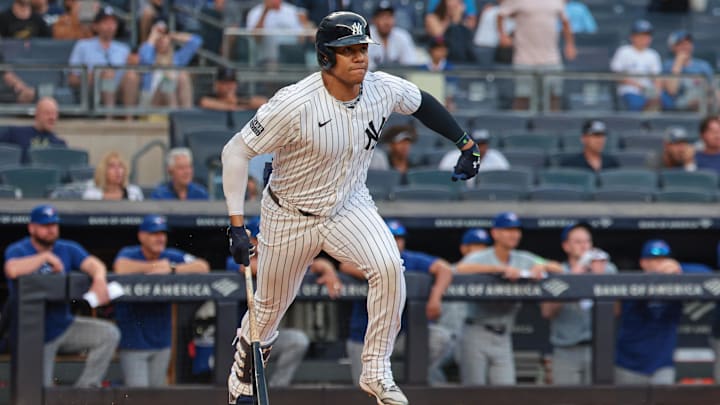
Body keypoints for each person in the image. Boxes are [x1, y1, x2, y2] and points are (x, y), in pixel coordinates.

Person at [221, 11, 481, 405]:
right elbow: (235, 151)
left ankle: (376, 371)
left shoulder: (381, 88)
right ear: (326, 57)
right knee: (268, 310)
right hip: (289, 214)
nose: (360, 57)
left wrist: (464, 142)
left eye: (363, 48)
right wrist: (237, 225)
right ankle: (246, 360)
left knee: (390, 266)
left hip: (348, 204)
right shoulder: (293, 103)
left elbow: (423, 102)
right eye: (349, 51)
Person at [3, 204, 120, 387]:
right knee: (40, 392)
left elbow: (94, 264)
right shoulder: (18, 250)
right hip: (33, 335)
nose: (51, 230)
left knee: (108, 334)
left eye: (54, 225)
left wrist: (99, 279)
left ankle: (84, 392)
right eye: (45, 225)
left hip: (64, 326)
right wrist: (44, 258)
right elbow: (12, 269)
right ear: (32, 228)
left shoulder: (67, 248)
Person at [225, 217, 343, 387]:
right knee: (241, 382)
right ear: (250, 240)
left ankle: (276, 389)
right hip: (240, 339)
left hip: (267, 336)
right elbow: (250, 266)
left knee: (297, 341)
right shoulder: (239, 259)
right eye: (260, 237)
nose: (266, 241)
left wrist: (329, 270)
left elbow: (316, 263)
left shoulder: (279, 260)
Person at [455, 211, 562, 386]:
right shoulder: (482, 256)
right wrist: (497, 270)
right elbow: (460, 268)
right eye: (507, 230)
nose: (514, 234)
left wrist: (540, 267)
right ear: (495, 233)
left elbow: (557, 267)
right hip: (476, 330)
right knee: (473, 393)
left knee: (506, 391)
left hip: (504, 335)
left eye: (516, 230)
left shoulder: (523, 258)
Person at [342, 220, 454, 386]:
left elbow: (444, 268)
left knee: (440, 337)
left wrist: (435, 298)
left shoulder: (410, 259)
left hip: (402, 336)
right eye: (390, 237)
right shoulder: (366, 257)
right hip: (366, 338)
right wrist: (377, 273)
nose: (395, 242)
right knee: (367, 390)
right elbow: (345, 265)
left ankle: (419, 376)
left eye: (398, 238)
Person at [112, 214, 209, 387]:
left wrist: (171, 268)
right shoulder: (130, 253)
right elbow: (120, 266)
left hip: (162, 340)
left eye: (162, 234)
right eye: (154, 233)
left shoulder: (170, 255)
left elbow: (203, 266)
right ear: (142, 236)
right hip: (133, 341)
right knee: (139, 396)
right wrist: (155, 267)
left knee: (157, 394)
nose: (160, 238)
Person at [615, 239, 709, 385]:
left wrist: (680, 268)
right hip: (629, 364)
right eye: (654, 259)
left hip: (662, 364)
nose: (660, 264)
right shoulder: (631, 283)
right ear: (643, 263)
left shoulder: (677, 283)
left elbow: (708, 275)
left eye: (663, 259)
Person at [540, 222, 617, 385]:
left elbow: (616, 311)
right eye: (578, 242)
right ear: (566, 246)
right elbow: (547, 312)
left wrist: (600, 281)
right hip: (566, 349)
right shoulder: (557, 272)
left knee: (599, 398)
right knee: (567, 399)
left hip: (598, 348)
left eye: (587, 241)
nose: (584, 246)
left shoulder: (607, 270)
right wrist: (571, 281)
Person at [497, 0, 576, 110]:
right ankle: (519, 126)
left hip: (552, 59)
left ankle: (553, 125)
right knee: (522, 98)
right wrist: (502, 36)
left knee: (554, 98)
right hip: (524, 59)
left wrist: (570, 44)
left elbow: (566, 22)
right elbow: (501, 15)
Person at [68, 6, 139, 114]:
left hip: (119, 90)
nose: (110, 26)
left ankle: (129, 119)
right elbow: (72, 79)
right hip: (93, 91)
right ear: (95, 26)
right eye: (105, 22)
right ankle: (108, 118)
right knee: (108, 74)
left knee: (132, 76)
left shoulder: (124, 49)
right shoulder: (83, 46)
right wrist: (87, 78)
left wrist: (135, 65)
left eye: (113, 23)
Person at [138, 20, 203, 108]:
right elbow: (145, 59)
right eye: (159, 36)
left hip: (174, 97)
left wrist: (172, 35)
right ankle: (174, 115)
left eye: (164, 36)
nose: (161, 38)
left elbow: (196, 42)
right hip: (151, 99)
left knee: (183, 76)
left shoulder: (177, 58)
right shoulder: (149, 55)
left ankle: (186, 114)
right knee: (167, 81)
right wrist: (153, 36)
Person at [610, 20, 662, 112]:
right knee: (636, 103)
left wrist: (656, 92)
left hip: (648, 90)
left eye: (647, 35)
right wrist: (640, 86)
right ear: (632, 36)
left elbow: (657, 78)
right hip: (629, 90)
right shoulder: (623, 51)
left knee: (665, 102)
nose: (644, 38)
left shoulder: (653, 54)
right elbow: (617, 75)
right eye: (641, 35)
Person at [0, 97, 66, 164]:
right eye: (47, 113)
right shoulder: (15, 133)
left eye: (54, 113)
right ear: (37, 114)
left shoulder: (60, 145)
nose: (52, 117)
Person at [660, 30, 714, 112]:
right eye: (681, 44)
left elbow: (712, 87)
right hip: (680, 104)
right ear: (673, 47)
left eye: (688, 43)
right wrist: (678, 63)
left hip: (703, 99)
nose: (685, 47)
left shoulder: (703, 65)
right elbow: (672, 90)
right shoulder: (668, 65)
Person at [245, 0, 311, 65]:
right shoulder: (255, 12)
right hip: (265, 60)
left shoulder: (292, 10)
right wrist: (265, 12)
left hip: (291, 60)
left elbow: (301, 38)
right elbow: (255, 38)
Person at [438, 129, 510, 178]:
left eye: (483, 144)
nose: (480, 148)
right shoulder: (452, 158)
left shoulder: (497, 158)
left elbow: (505, 179)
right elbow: (443, 179)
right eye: (477, 144)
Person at [367, 1, 417, 71]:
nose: (386, 22)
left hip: (398, 78)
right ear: (374, 20)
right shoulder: (366, 36)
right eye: (382, 17)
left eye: (389, 16)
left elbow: (410, 65)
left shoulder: (402, 36)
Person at [199, 67, 267, 111]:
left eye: (232, 82)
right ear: (217, 84)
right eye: (225, 82)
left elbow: (263, 102)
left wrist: (237, 101)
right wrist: (231, 106)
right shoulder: (212, 96)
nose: (229, 86)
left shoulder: (240, 97)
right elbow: (205, 102)